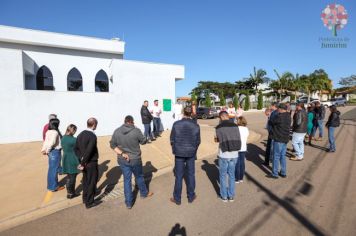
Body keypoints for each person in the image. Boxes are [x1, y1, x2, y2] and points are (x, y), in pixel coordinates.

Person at [110, 115, 154, 209]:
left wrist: (122, 153)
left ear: (125, 121)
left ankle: (129, 203)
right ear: (131, 122)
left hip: (123, 160)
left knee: (127, 180)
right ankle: (143, 193)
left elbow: (112, 145)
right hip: (135, 159)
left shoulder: (117, 131)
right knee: (139, 176)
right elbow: (143, 141)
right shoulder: (136, 130)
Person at [170, 107, 200, 205]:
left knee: (179, 176)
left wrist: (174, 149)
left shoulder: (176, 124)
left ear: (183, 113)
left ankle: (177, 198)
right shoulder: (195, 125)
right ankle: (191, 196)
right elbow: (198, 141)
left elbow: (172, 140)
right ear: (191, 114)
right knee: (191, 174)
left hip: (179, 153)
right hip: (191, 152)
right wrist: (194, 150)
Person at [215, 111, 241, 202]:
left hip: (224, 153)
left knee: (222, 175)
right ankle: (231, 195)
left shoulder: (219, 127)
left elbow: (217, 139)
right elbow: (238, 137)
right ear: (227, 116)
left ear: (221, 117)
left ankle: (224, 196)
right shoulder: (235, 125)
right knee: (232, 175)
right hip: (234, 153)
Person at [75, 118, 100, 209]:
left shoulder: (80, 134)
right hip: (90, 162)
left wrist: (80, 159)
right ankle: (89, 202)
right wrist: (82, 162)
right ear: (94, 125)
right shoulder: (92, 136)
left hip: (84, 162)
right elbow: (89, 150)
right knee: (92, 181)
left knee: (85, 181)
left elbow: (76, 149)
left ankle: (85, 198)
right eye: (96, 124)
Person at [268, 103, 291, 179]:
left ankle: (275, 174)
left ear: (281, 109)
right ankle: (283, 172)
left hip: (278, 138)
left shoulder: (279, 116)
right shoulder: (288, 115)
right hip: (285, 138)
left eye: (278, 109)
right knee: (282, 156)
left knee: (276, 156)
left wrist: (270, 114)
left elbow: (271, 121)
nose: (277, 110)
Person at [41, 118, 64, 192]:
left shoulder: (48, 131)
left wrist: (44, 149)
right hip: (55, 151)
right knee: (54, 170)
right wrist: (47, 150)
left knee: (51, 169)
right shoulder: (55, 132)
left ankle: (51, 185)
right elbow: (52, 142)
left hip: (50, 152)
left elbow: (46, 141)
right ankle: (53, 187)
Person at [61, 124, 80, 199]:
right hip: (72, 158)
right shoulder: (74, 140)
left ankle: (69, 192)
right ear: (74, 130)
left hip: (65, 158)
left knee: (69, 176)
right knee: (72, 177)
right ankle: (71, 193)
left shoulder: (63, 138)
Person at [235, 116, 249, 183]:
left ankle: (237, 178)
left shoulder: (236, 128)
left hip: (237, 147)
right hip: (243, 147)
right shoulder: (246, 129)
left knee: (237, 163)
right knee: (242, 163)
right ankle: (241, 178)